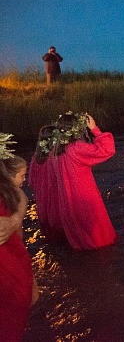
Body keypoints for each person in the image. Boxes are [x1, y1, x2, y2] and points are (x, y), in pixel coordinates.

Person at [52, 112, 118, 250]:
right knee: (100, 241)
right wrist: (95, 129)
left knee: (80, 240)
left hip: (68, 200)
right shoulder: (76, 148)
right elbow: (107, 150)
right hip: (83, 197)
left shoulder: (56, 151)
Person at [0, 135, 38, 342]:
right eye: (22, 175)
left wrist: (15, 219)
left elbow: (19, 194)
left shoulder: (8, 191)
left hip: (13, 273)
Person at [28, 125, 64, 240]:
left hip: (42, 197)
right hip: (55, 195)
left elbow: (32, 181)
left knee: (49, 230)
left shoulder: (35, 158)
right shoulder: (56, 157)